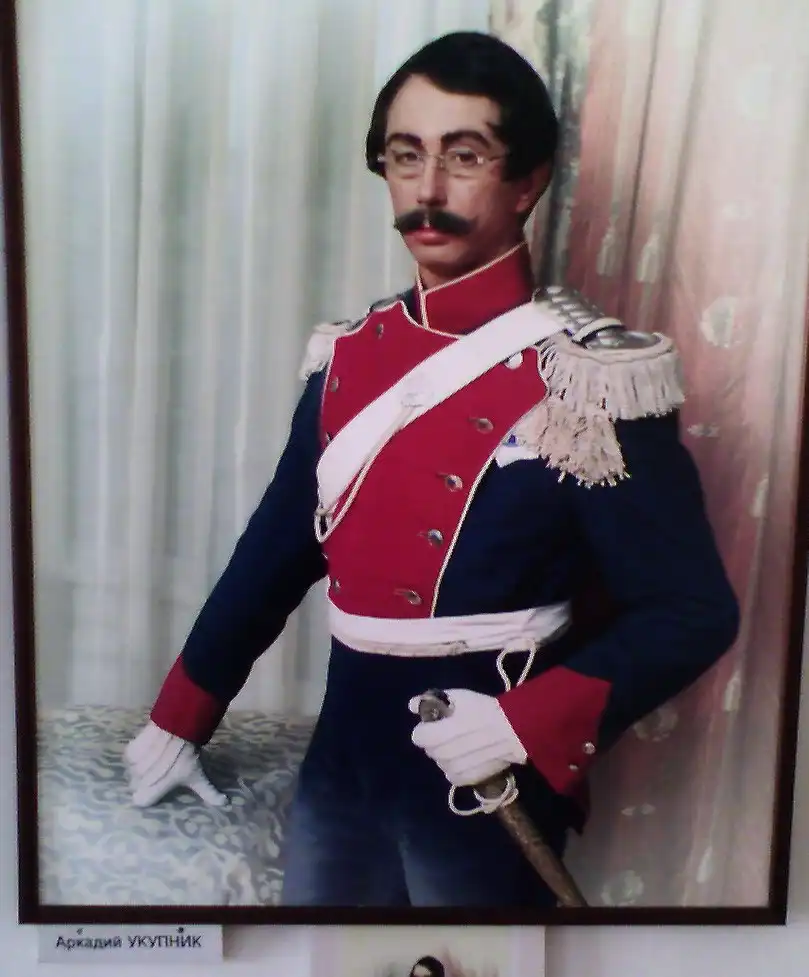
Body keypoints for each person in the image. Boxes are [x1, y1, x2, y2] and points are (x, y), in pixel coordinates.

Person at [124, 31, 740, 908]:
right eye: (406, 155)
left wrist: (519, 724)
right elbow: (273, 556)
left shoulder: (590, 377)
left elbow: (690, 610)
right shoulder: (348, 357)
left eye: (465, 155)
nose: (428, 189)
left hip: (482, 774)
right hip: (341, 763)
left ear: (527, 180)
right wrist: (180, 716)